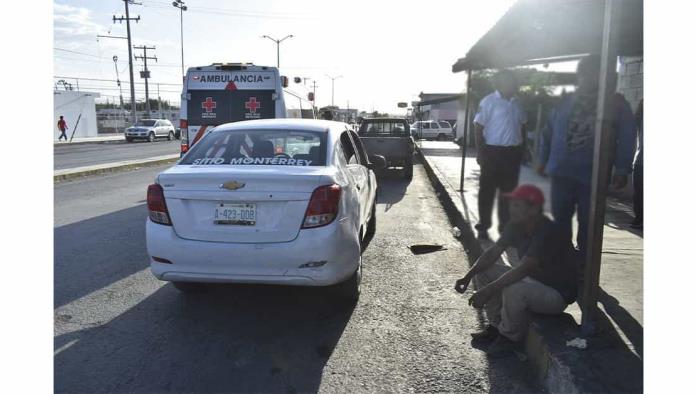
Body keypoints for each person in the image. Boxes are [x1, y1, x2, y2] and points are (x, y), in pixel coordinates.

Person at [454, 184, 578, 357]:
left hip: (555, 294)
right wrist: (468, 276)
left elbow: (524, 268)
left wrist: (487, 290)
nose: (511, 209)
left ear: (534, 209)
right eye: (512, 204)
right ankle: (496, 327)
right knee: (485, 270)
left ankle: (509, 339)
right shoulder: (515, 225)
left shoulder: (549, 231)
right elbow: (492, 253)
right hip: (532, 281)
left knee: (514, 289)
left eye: (517, 205)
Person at [537, 55, 636, 256]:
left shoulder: (615, 104)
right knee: (559, 220)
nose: (588, 78)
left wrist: (622, 168)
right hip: (561, 172)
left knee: (589, 223)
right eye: (584, 74)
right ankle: (562, 262)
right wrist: (542, 159)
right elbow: (547, 132)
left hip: (593, 174)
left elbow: (627, 135)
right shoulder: (565, 102)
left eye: (595, 74)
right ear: (579, 76)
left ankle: (584, 266)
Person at [473, 70, 528, 240]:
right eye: (507, 81)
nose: (511, 84)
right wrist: (480, 152)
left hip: (512, 154)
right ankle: (483, 226)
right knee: (487, 191)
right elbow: (478, 127)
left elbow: (523, 126)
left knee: (509, 194)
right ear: (499, 83)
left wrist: (523, 149)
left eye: (512, 81)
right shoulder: (488, 102)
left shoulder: (517, 103)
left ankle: (505, 228)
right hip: (492, 152)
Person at [631, 99, 643, 229]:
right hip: (640, 161)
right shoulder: (639, 119)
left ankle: (639, 218)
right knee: (638, 192)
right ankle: (639, 217)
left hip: (640, 160)